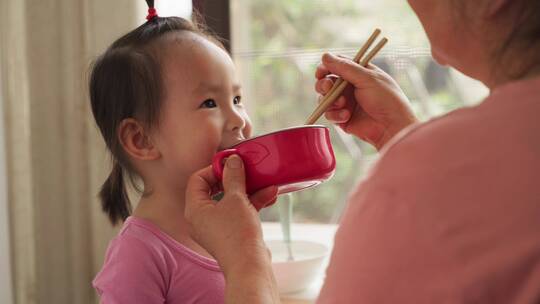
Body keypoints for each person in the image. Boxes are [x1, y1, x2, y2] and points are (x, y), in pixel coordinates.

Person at [185, 0, 540, 303]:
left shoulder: (410, 183)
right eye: (209, 102)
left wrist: (244, 257)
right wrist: (401, 135)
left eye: (236, 99)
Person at [89, 1, 278, 303]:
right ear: (142, 140)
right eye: (209, 103)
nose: (240, 119)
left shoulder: (235, 228)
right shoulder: (139, 255)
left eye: (237, 98)